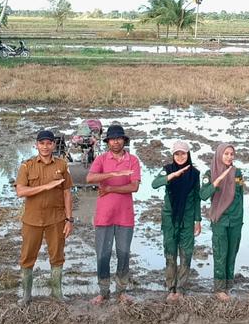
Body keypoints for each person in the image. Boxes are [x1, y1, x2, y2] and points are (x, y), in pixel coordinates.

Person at [14, 129, 74, 304]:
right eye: (42, 143)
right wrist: (46, 187)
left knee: (57, 256)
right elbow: (20, 191)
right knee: (27, 256)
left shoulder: (62, 165)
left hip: (56, 219)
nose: (45, 147)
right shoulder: (27, 165)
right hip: (32, 220)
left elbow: (67, 193)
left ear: (54, 145)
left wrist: (69, 219)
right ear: (36, 145)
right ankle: (26, 295)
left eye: (49, 143)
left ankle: (57, 292)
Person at [87, 123, 141, 304]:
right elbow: (90, 178)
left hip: (125, 216)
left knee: (124, 253)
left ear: (124, 141)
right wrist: (114, 173)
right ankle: (103, 291)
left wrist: (110, 188)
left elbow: (134, 186)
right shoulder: (101, 159)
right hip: (104, 216)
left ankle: (121, 291)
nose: (116, 142)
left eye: (119, 139)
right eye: (112, 139)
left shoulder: (132, 160)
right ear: (108, 141)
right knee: (103, 254)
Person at [150, 141, 202, 300]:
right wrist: (172, 176)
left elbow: (197, 199)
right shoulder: (167, 169)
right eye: (177, 154)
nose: (180, 157)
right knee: (170, 253)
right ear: (173, 155)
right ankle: (170, 287)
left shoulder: (195, 173)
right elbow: (154, 184)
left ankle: (180, 289)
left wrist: (197, 220)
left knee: (186, 254)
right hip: (170, 218)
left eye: (183, 153)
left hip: (187, 219)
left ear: (188, 154)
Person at [201, 143, 244, 300]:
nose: (229, 157)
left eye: (231, 154)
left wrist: (240, 217)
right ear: (219, 155)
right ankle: (219, 289)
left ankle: (228, 286)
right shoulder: (209, 173)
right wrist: (216, 181)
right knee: (221, 252)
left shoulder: (237, 172)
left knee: (232, 253)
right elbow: (203, 194)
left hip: (236, 220)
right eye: (226, 153)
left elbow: (240, 196)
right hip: (220, 220)